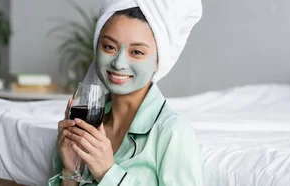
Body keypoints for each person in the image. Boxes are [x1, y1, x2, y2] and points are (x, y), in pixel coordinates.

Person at [48, 0, 203, 185]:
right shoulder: (85, 123)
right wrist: (70, 171)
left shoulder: (172, 132)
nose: (119, 63)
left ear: (158, 61)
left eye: (136, 52)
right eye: (109, 47)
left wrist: (108, 173)